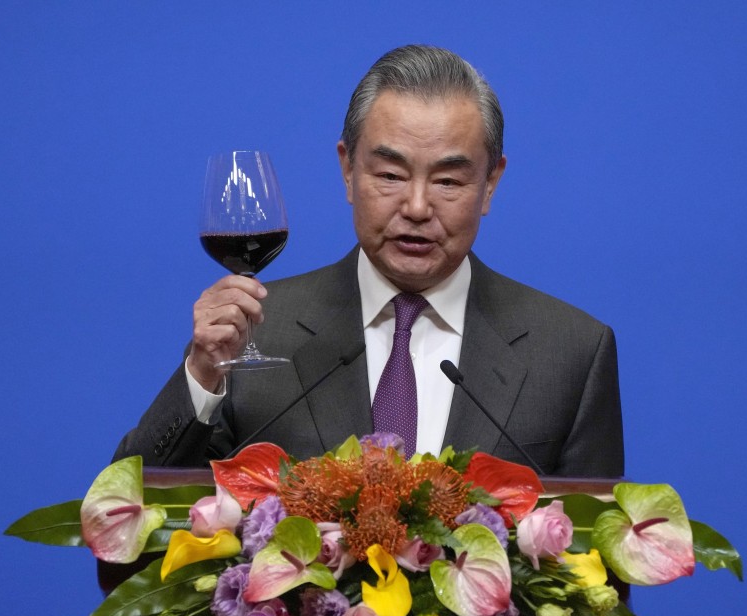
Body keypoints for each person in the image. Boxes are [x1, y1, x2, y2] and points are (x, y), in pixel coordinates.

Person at [113, 45, 624, 477]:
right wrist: (204, 374)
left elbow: (599, 577)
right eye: (390, 175)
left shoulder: (571, 353)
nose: (418, 207)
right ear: (347, 169)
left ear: (490, 184)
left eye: (448, 181)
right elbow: (125, 528)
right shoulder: (254, 334)